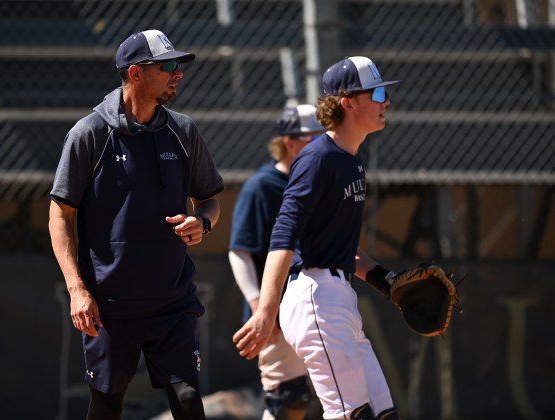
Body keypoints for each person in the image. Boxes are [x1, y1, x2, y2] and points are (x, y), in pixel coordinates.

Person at [48, 29, 223, 420]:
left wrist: (202, 223)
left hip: (172, 302)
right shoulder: (88, 134)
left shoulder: (183, 130)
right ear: (135, 73)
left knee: (190, 402)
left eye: (179, 66)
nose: (178, 73)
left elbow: (210, 201)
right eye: (168, 66)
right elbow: (60, 214)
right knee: (108, 407)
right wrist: (77, 290)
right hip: (109, 307)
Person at [233, 56, 403, 419]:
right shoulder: (318, 158)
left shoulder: (349, 158)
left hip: (339, 298)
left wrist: (386, 281)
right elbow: (284, 234)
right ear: (348, 102)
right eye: (377, 92)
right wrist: (265, 310)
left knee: (381, 412)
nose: (385, 100)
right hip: (315, 296)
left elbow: (339, 244)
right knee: (349, 414)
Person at [229, 105, 326, 419]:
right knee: (289, 399)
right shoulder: (261, 187)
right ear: (290, 143)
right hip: (278, 314)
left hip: (320, 305)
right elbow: (239, 251)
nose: (323, 144)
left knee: (341, 392)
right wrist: (260, 307)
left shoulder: (320, 181)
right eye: (314, 138)